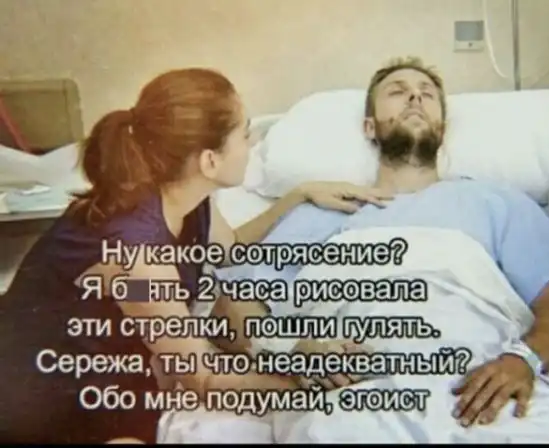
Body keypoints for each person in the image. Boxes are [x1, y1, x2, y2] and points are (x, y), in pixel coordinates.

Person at [0, 68, 392, 444]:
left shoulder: (187, 194)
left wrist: (299, 195)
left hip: (111, 358)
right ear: (209, 161)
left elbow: (230, 247)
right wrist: (307, 380)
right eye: (244, 133)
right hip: (39, 385)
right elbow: (202, 380)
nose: (253, 142)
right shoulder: (139, 257)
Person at [211, 57, 549, 428]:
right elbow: (230, 311)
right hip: (352, 398)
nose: (414, 98)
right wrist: (290, 349)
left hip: (480, 393)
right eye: (397, 91)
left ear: (442, 128)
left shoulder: (499, 203)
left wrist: (523, 360)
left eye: (427, 93)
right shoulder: (321, 211)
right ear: (370, 127)